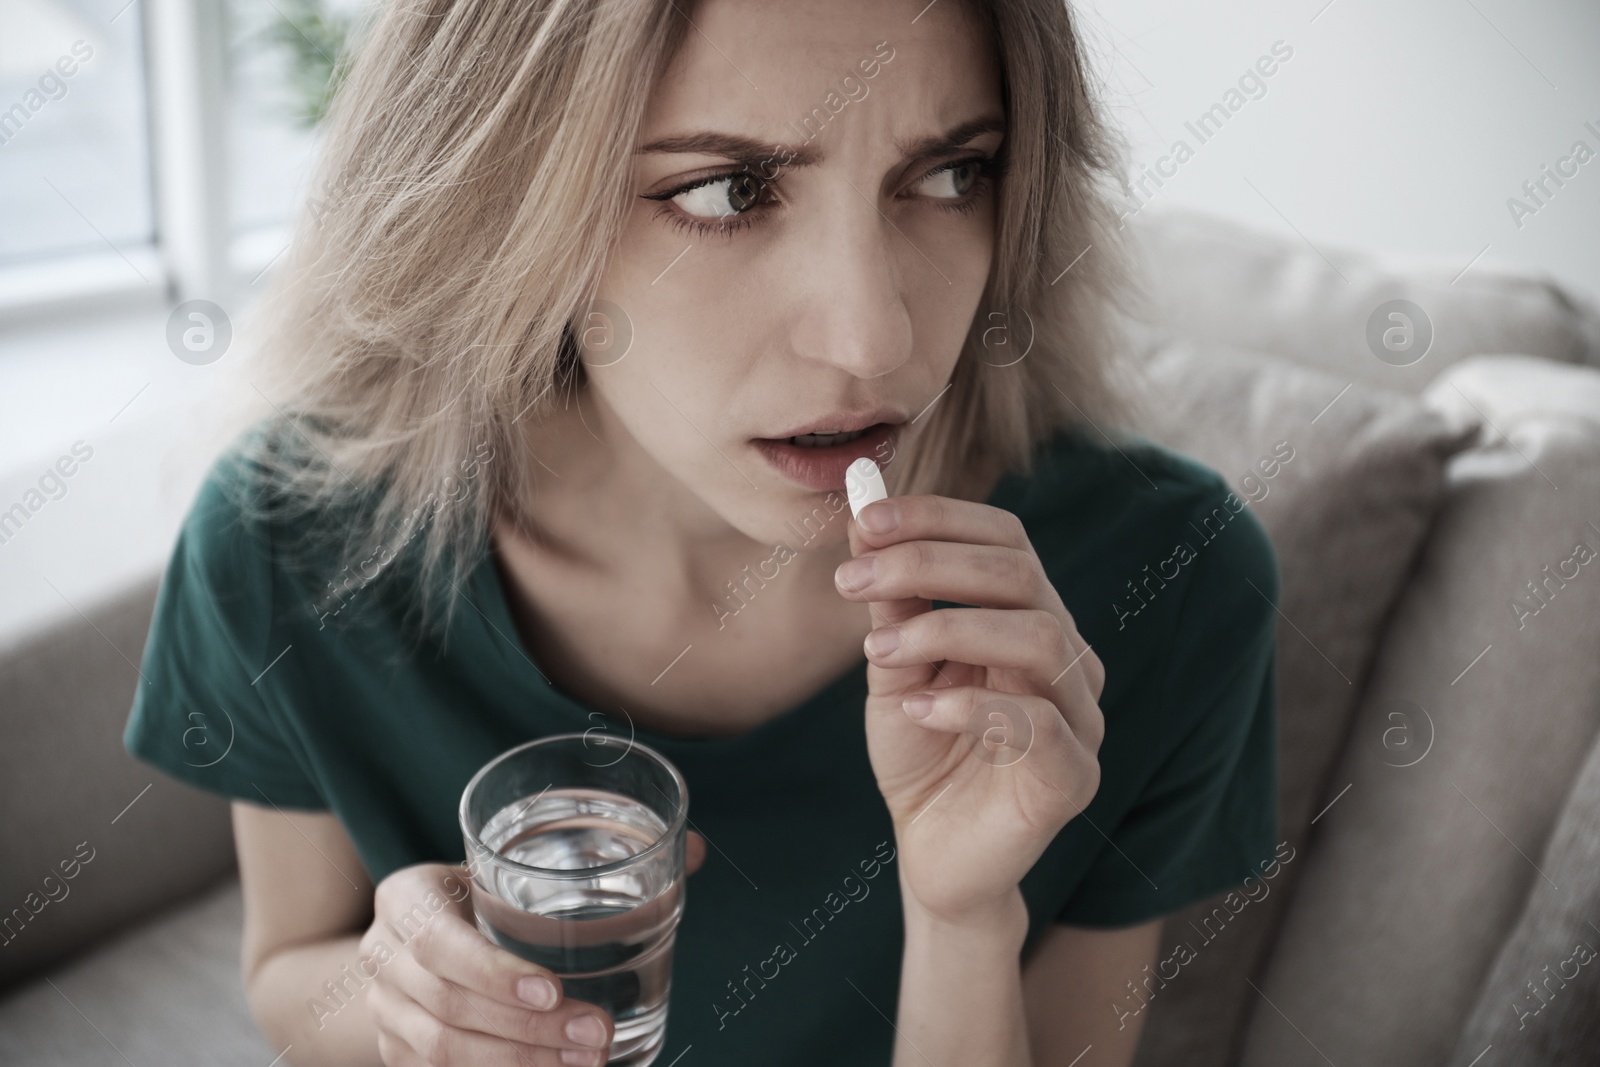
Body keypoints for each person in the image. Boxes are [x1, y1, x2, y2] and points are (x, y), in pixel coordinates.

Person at [123, 0, 1280, 1064]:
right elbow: (286, 970)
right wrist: (407, 1002)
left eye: (948, 174)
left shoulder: (1160, 581)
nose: (872, 339)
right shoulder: (291, 545)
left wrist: (961, 915)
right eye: (730, 191)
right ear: (505, 199)